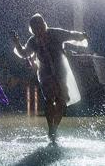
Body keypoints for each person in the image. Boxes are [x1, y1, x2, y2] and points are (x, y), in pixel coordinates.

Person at [13, 13, 88, 142]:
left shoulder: (55, 33)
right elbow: (25, 53)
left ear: (43, 24)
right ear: (32, 29)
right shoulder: (33, 41)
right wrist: (17, 43)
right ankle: (51, 129)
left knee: (62, 101)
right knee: (49, 99)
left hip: (60, 71)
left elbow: (70, 35)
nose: (38, 29)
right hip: (45, 73)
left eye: (40, 25)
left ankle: (54, 129)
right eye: (35, 27)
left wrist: (81, 36)